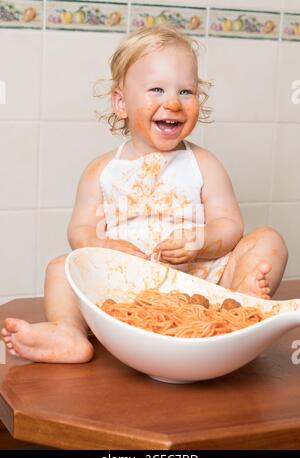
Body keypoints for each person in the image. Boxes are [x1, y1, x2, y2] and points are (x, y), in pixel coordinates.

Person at [1, 26, 288, 363]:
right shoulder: (102, 171)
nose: (173, 102)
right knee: (60, 267)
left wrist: (201, 239)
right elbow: (78, 231)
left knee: (270, 239)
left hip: (203, 286)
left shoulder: (204, 165)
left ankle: (239, 306)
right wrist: (105, 246)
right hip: (126, 289)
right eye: (157, 89)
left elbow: (230, 225)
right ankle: (69, 332)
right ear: (121, 103)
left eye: (186, 91)